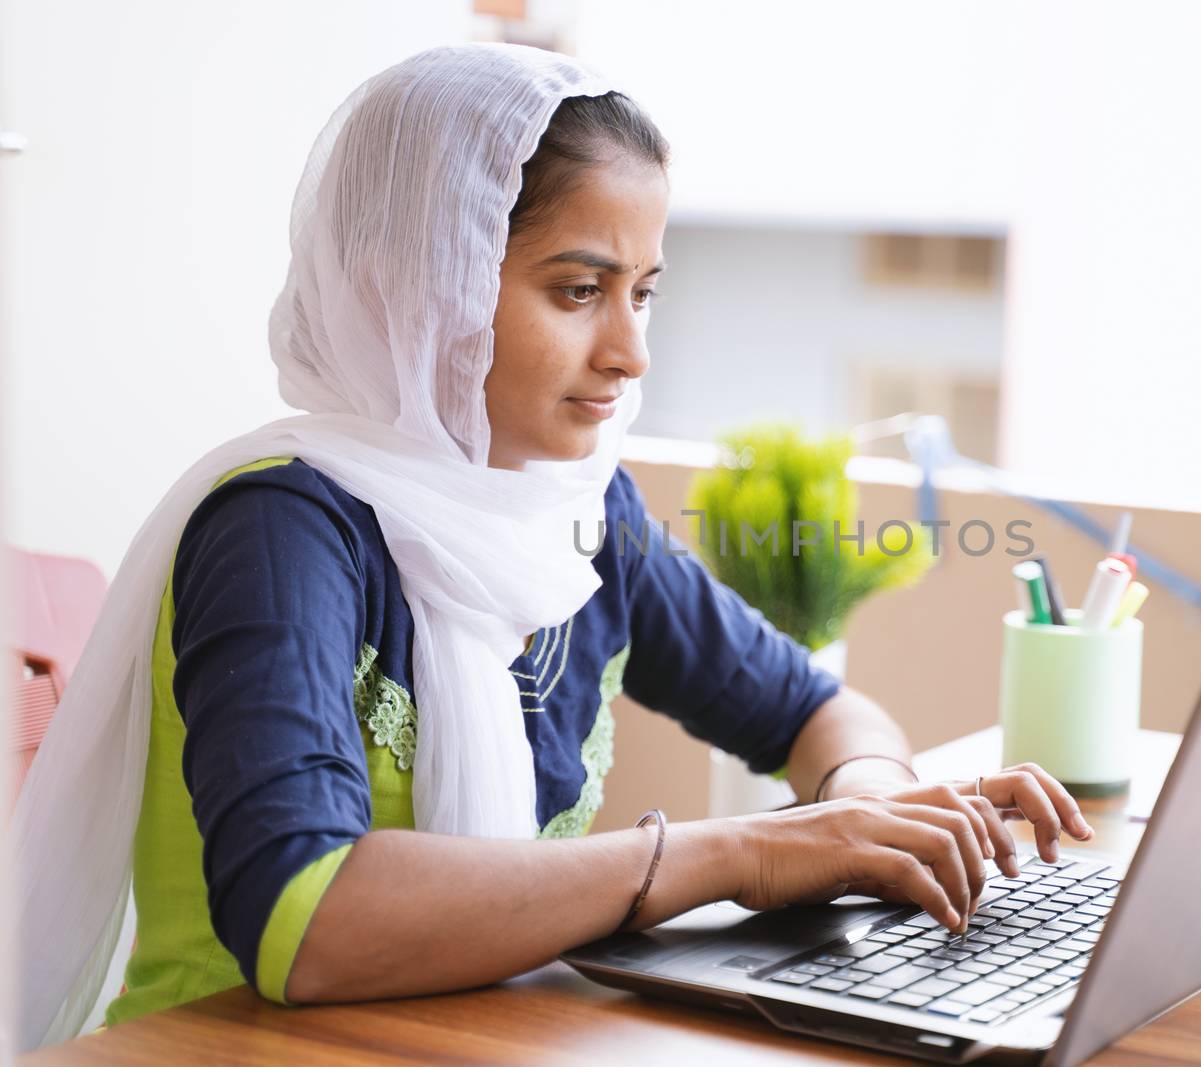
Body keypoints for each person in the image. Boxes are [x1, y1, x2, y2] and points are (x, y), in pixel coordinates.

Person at [13, 43, 1092, 1049]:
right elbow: (310, 920)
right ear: (414, 284)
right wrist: (741, 853)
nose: (627, 352)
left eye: (644, 293)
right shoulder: (282, 529)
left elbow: (813, 709)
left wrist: (866, 801)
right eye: (578, 291)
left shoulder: (582, 512)